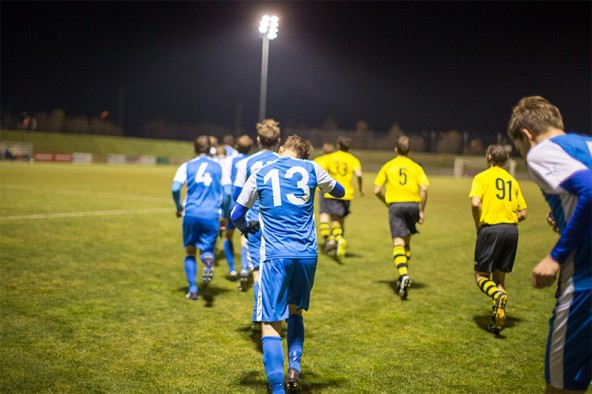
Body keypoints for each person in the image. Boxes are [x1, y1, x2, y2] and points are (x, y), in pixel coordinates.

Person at [231, 135, 345, 393]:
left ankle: (278, 388)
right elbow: (340, 191)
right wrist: (323, 185)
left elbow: (236, 214)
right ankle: (294, 367)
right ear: (304, 155)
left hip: (275, 255)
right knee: (295, 312)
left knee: (270, 322)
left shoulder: (261, 171)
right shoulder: (312, 168)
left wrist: (245, 227)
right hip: (306, 255)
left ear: (281, 150)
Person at [507, 96, 591, 393]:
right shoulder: (587, 144)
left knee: (559, 386)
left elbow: (589, 191)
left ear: (527, 136)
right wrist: (568, 216)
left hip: (584, 283)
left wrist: (556, 256)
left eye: (518, 148)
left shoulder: (540, 151)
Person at [468, 144, 528, 334]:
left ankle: (496, 295)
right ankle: (498, 322)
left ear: (489, 157)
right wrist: (510, 220)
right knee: (500, 278)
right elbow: (524, 213)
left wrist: (479, 225)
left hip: (491, 230)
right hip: (511, 231)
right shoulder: (513, 181)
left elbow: (476, 203)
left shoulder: (481, 178)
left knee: (480, 276)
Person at [233, 119, 281, 321]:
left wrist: (242, 226)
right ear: (278, 141)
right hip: (280, 225)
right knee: (278, 274)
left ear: (258, 139)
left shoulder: (246, 163)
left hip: (255, 225)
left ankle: (258, 315)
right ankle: (276, 316)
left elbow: (238, 196)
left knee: (258, 274)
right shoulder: (283, 161)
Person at [373, 135, 429, 299]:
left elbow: (376, 190)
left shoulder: (388, 166)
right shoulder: (416, 167)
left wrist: (387, 203)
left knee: (398, 243)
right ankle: (403, 275)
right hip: (412, 205)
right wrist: (421, 210)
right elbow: (424, 188)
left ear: (395, 149)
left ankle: (403, 275)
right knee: (407, 243)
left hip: (396, 206)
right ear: (409, 150)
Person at [171, 135, 225, 300]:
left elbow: (175, 188)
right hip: (212, 214)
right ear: (210, 150)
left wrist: (179, 207)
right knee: (207, 249)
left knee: (190, 251)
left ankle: (193, 290)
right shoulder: (219, 167)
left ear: (195, 149)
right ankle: (208, 259)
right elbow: (228, 193)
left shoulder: (187, 166)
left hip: (191, 213)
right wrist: (223, 212)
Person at [319, 136, 364, 262]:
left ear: (338, 145)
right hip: (347, 194)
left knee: (334, 220)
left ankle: (337, 239)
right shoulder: (353, 159)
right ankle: (336, 242)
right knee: (340, 221)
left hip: (333, 192)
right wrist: (360, 188)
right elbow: (359, 174)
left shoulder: (330, 157)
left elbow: (320, 169)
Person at [222, 134, 254, 290]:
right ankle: (243, 268)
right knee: (244, 238)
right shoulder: (252, 160)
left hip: (232, 204)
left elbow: (226, 184)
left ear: (236, 145)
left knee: (227, 236)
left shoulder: (229, 160)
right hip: (247, 204)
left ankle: (232, 269)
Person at [313, 143, 335, 247]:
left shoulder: (318, 160)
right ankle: (336, 238)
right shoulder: (336, 159)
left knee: (324, 213)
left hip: (323, 190)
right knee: (335, 217)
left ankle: (328, 239)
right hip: (336, 188)